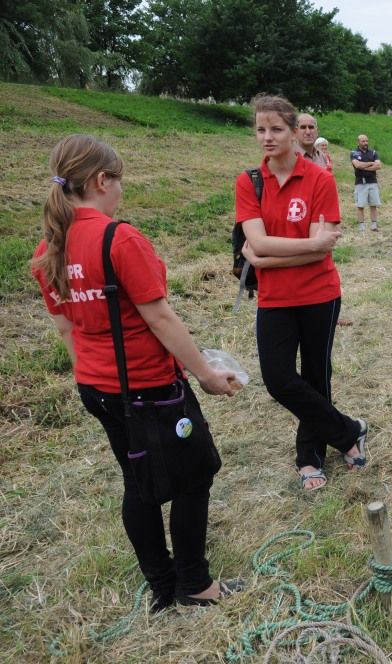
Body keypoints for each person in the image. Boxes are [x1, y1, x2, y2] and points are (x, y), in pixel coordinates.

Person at [31, 134, 242, 610]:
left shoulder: (51, 248)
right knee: (194, 476)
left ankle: (161, 585)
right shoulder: (118, 238)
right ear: (101, 180)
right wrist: (205, 373)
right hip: (150, 388)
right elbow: (160, 317)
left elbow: (67, 329)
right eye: (119, 181)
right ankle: (194, 583)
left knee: (138, 480)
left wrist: (94, 375)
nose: (121, 191)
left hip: (98, 389)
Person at [235, 94, 367, 492]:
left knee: (315, 374)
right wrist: (309, 247)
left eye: (276, 129)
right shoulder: (248, 182)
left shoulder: (319, 180)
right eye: (261, 129)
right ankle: (348, 432)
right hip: (274, 299)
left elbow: (269, 249)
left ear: (295, 133)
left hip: (319, 295)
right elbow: (258, 240)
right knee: (277, 378)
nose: (267, 137)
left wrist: (265, 258)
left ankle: (309, 456)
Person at [350, 134, 382, 232]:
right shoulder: (354, 153)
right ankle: (362, 226)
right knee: (361, 205)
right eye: (363, 141)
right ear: (358, 142)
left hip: (373, 182)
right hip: (360, 182)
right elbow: (357, 165)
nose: (365, 143)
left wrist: (365, 167)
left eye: (366, 141)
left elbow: (379, 165)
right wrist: (371, 163)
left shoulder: (373, 152)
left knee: (373, 204)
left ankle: (374, 225)